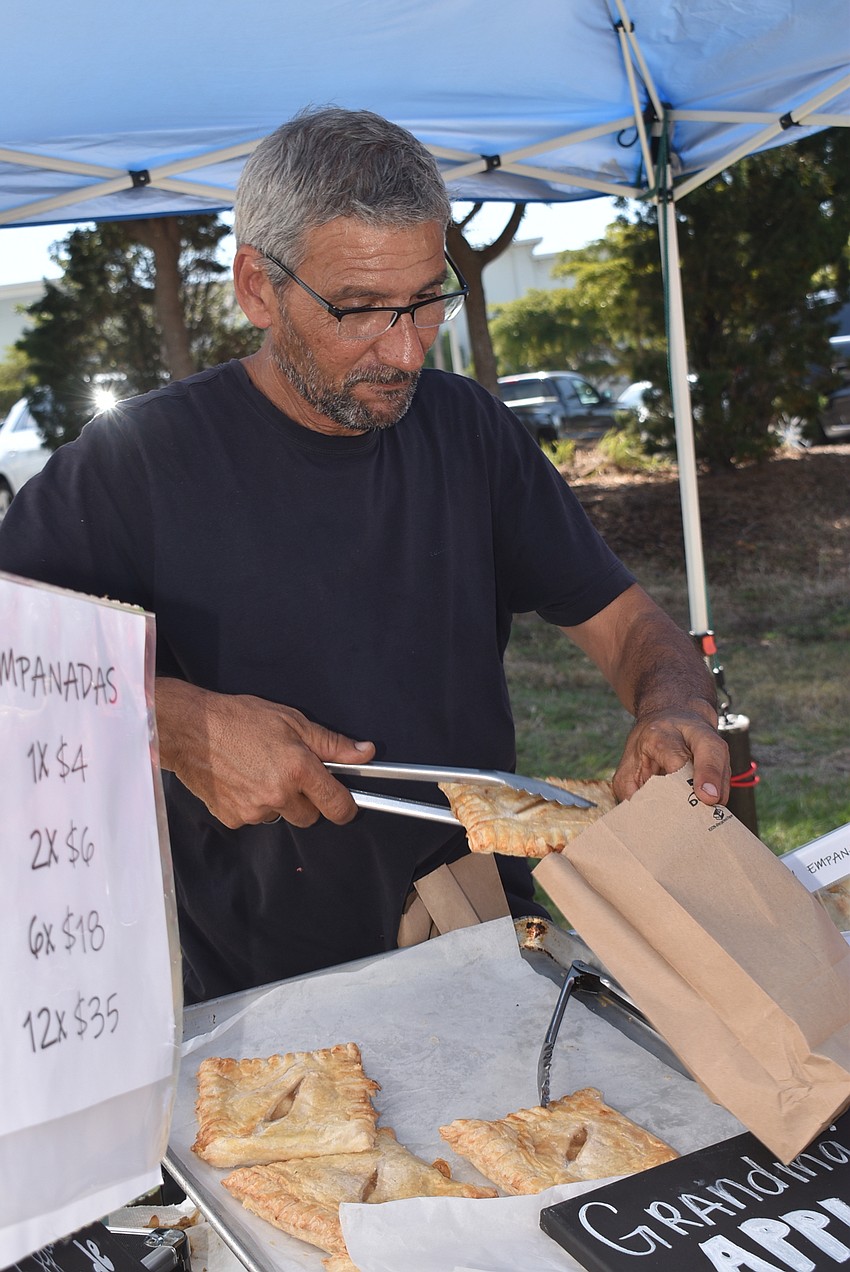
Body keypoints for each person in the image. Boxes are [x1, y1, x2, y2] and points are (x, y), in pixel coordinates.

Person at [0, 107, 729, 1004]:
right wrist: (177, 722)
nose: (404, 346)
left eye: (428, 299)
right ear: (258, 288)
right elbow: (12, 665)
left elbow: (626, 627)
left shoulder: (470, 433)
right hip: (257, 997)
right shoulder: (135, 464)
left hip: (485, 944)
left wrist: (673, 704)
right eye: (358, 310)